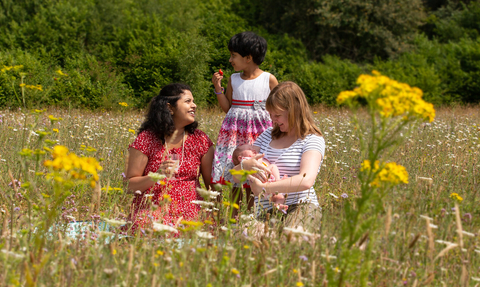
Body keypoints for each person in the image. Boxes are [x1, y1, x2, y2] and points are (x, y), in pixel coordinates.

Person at [231, 81, 325, 233]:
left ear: (294, 111)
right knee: (249, 239)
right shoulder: (267, 135)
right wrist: (244, 167)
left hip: (301, 206)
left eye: (278, 115)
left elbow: (306, 180)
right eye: (271, 115)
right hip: (266, 210)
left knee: (292, 237)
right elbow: (235, 177)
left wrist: (265, 187)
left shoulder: (312, 139)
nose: (273, 120)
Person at [124, 83, 214, 234]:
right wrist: (155, 176)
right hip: (153, 209)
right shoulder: (147, 139)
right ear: (170, 108)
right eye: (188, 101)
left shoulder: (201, 140)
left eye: (193, 101)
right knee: (148, 231)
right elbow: (129, 185)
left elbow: (212, 186)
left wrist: (218, 216)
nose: (194, 105)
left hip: (191, 210)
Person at [211, 31, 278, 215]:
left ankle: (251, 216)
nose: (230, 59)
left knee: (254, 175)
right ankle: (233, 218)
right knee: (236, 174)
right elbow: (228, 107)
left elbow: (279, 105)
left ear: (248, 58)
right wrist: (218, 89)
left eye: (234, 55)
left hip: (259, 134)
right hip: (234, 134)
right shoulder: (233, 79)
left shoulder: (268, 79)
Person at [231, 144, 288, 212]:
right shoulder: (246, 161)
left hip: (265, 187)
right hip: (261, 184)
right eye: (249, 149)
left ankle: (278, 204)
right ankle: (278, 181)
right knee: (273, 166)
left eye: (252, 148)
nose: (253, 149)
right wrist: (260, 157)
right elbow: (257, 163)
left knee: (280, 197)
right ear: (240, 158)